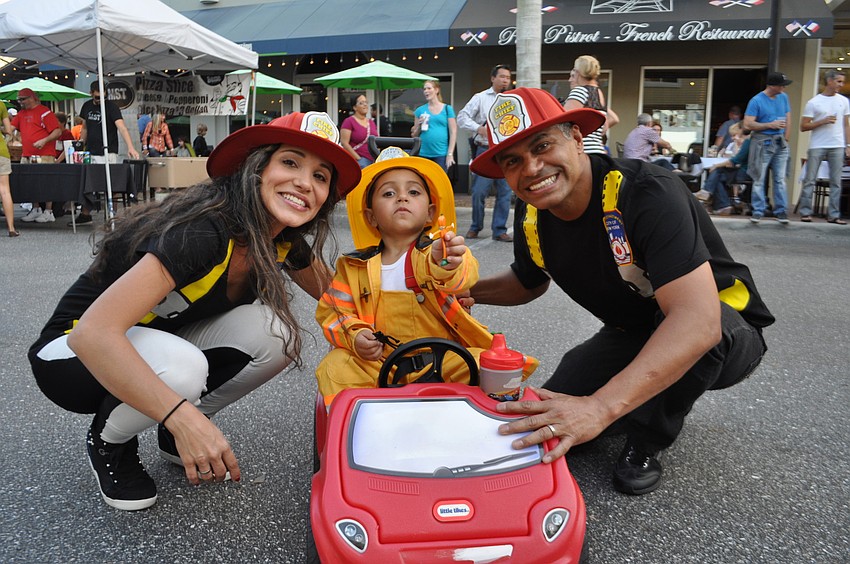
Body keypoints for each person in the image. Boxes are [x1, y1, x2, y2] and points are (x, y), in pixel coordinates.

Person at [27, 111, 361, 511]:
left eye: (321, 176)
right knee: (183, 368)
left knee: (277, 335)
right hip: (71, 354)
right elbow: (93, 334)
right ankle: (110, 441)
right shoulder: (204, 230)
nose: (305, 182)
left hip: (148, 344)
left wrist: (431, 281)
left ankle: (173, 430)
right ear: (255, 169)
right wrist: (182, 415)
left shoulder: (282, 241)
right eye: (290, 162)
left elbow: (344, 298)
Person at [468, 88, 774, 495]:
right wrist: (460, 292)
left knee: (679, 344)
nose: (532, 168)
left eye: (542, 146)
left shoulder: (647, 191)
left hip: (726, 330)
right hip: (633, 330)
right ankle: (634, 401)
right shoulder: (533, 211)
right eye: (513, 161)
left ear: (577, 139)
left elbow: (698, 322)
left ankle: (646, 439)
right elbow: (528, 282)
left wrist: (600, 407)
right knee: (551, 414)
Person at [315, 147, 536, 403]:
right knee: (335, 367)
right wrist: (355, 335)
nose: (402, 198)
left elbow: (462, 274)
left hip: (445, 359)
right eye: (388, 193)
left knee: (485, 365)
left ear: (431, 212)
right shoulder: (352, 266)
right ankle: (357, 431)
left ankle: (488, 429)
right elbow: (333, 312)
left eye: (413, 192)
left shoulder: (435, 251)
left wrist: (448, 262)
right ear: (371, 216)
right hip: (378, 361)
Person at [457, 64, 514, 242]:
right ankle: (475, 226)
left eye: (508, 77)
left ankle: (499, 230)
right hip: (485, 150)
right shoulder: (480, 98)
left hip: (506, 152)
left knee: (505, 192)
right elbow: (462, 117)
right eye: (502, 76)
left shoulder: (513, 99)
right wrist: (479, 129)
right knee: (479, 191)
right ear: (493, 78)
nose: (505, 80)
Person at [74, 80, 141, 225]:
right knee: (89, 182)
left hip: (108, 150)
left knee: (111, 182)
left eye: (103, 97)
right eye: (97, 97)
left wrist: (130, 147)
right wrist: (80, 143)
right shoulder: (87, 106)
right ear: (91, 94)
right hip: (91, 150)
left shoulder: (111, 107)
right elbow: (85, 127)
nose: (101, 100)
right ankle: (86, 214)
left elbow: (122, 127)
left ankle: (112, 214)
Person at [798, 69, 850, 225]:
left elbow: (846, 124)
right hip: (818, 144)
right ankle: (805, 212)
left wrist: (848, 144)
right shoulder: (814, 102)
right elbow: (803, 126)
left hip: (838, 144)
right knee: (810, 179)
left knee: (836, 181)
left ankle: (833, 214)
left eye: (842, 82)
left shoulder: (843, 101)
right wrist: (823, 121)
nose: (841, 85)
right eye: (839, 81)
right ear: (829, 81)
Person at [743, 72, 792, 224]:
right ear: (772, 86)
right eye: (781, 85)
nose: (784, 88)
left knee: (780, 179)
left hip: (780, 141)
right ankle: (758, 210)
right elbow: (747, 124)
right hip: (763, 141)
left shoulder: (783, 97)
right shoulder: (756, 100)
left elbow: (788, 117)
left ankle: (781, 211)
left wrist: (786, 138)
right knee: (759, 177)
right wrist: (769, 125)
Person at [11, 88, 62, 224]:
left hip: (45, 154)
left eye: (23, 99)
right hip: (27, 153)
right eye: (19, 99)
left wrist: (44, 140)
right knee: (30, 183)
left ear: (32, 98)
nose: (21, 102)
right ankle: (36, 208)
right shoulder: (21, 113)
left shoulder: (45, 112)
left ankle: (49, 211)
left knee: (46, 182)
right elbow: (10, 128)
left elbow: (57, 132)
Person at [562, 55, 619, 155]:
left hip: (583, 154)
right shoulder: (598, 93)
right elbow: (608, 122)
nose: (570, 79)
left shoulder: (580, 91)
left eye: (574, 73)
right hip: (598, 152)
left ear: (578, 73)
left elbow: (562, 121)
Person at [695, 125, 751, 215]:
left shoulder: (747, 142)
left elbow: (735, 160)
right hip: (747, 171)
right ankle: (720, 204)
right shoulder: (749, 142)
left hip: (744, 172)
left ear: (741, 130)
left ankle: (712, 197)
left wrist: (716, 165)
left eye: (735, 134)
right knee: (717, 177)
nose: (733, 137)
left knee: (718, 171)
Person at [412, 79, 457, 171]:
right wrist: (420, 126)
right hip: (423, 153)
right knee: (424, 182)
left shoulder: (447, 109)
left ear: (436, 90)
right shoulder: (420, 110)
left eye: (429, 88)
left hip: (441, 154)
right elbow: (414, 135)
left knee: (439, 182)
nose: (426, 91)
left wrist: (450, 154)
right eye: (424, 89)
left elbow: (453, 132)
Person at [340, 94, 377, 168]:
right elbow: (344, 143)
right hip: (359, 161)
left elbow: (376, 141)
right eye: (361, 103)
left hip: (373, 160)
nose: (365, 105)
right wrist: (359, 159)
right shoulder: (349, 121)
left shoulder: (371, 122)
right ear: (355, 107)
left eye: (366, 102)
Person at [0, 99, 18, 237]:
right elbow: (9, 131)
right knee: (5, 190)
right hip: (1, 152)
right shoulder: (1, 104)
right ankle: (11, 228)